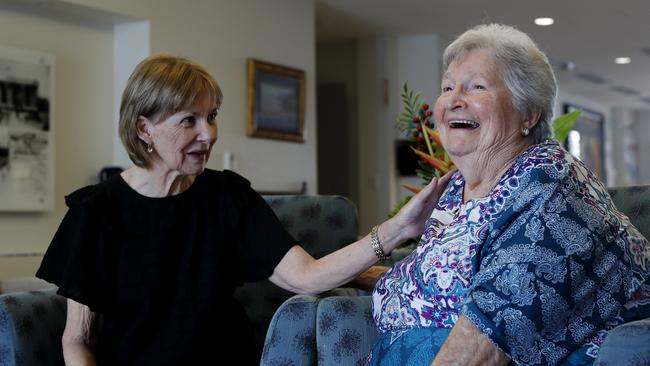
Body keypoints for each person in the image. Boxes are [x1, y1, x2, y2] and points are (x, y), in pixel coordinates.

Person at [35, 54, 450, 366]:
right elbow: (78, 339)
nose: (208, 134)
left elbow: (305, 277)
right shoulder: (95, 212)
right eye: (189, 121)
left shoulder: (227, 197)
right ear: (144, 128)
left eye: (212, 117)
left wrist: (397, 230)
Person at [367, 24, 650, 366]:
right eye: (447, 87)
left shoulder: (550, 192)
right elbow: (439, 276)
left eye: (477, 87)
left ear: (528, 114)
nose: (454, 100)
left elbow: (487, 340)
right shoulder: (458, 187)